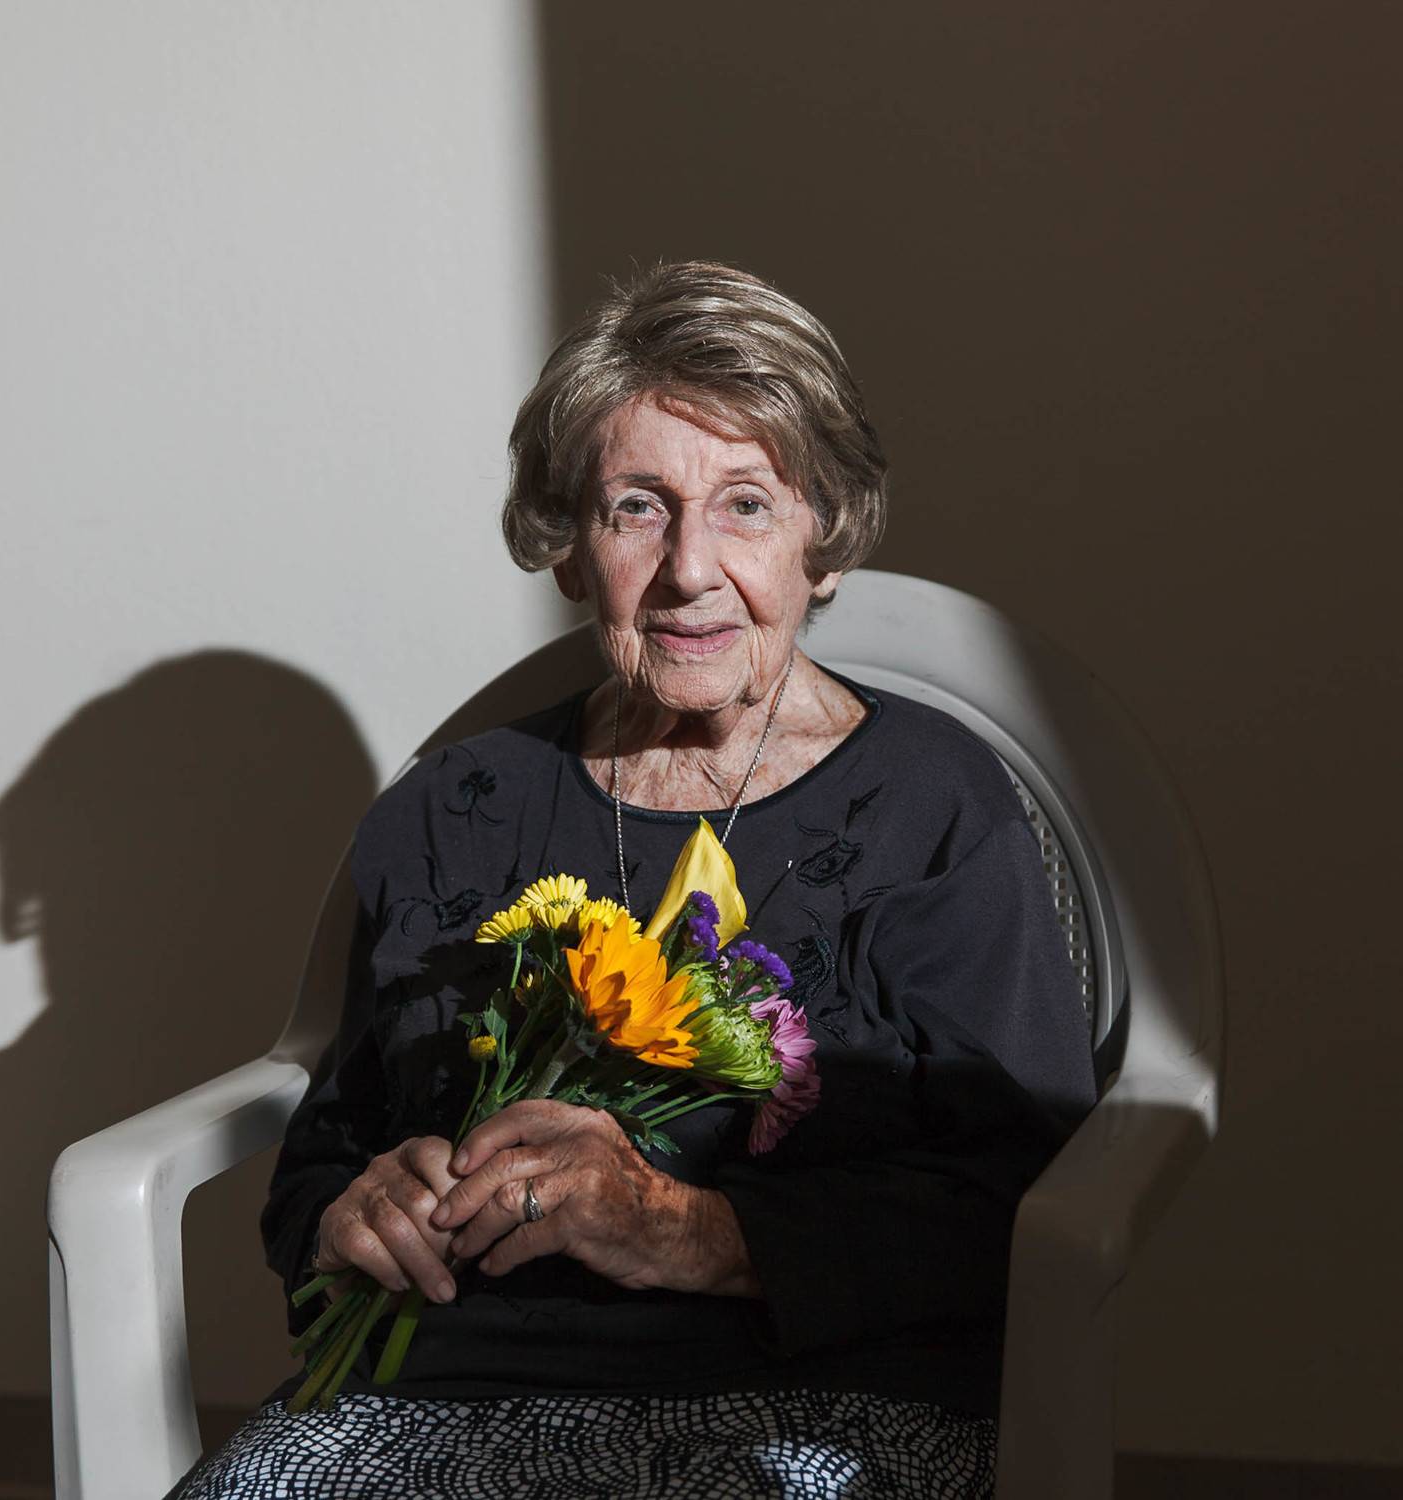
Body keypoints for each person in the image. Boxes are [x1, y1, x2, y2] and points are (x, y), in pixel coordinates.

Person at [176, 261, 1097, 1499]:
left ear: (822, 541)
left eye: (746, 505)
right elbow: (327, 1149)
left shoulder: (934, 808)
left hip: (820, 1394)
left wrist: (685, 1229)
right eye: (637, 509)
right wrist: (354, 1209)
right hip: (440, 1392)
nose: (689, 569)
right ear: (570, 550)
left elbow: (1024, 1196)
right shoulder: (455, 808)